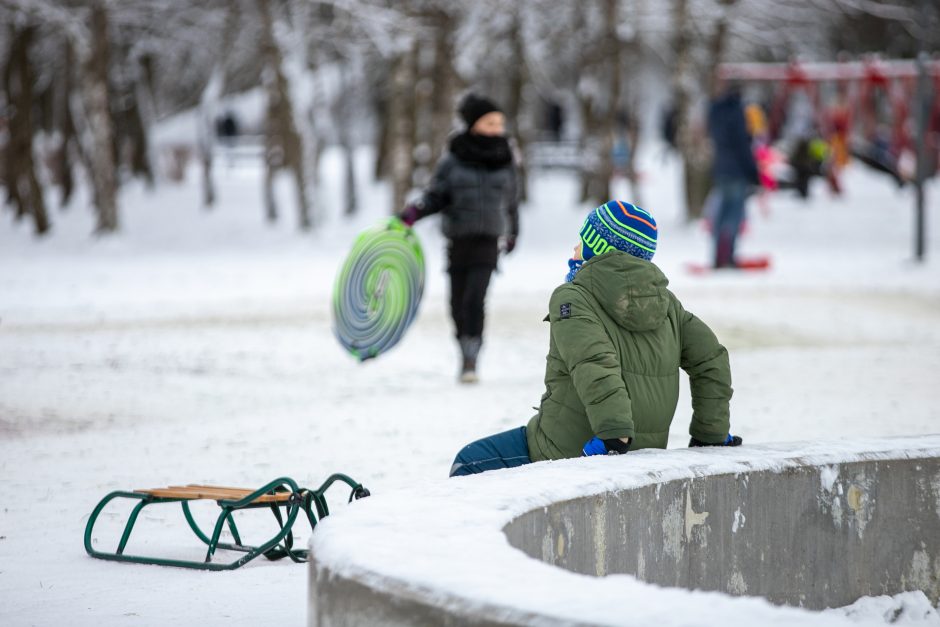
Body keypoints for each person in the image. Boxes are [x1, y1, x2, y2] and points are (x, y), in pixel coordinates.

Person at [449, 201, 740, 477]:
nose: (575, 247)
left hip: (572, 447)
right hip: (641, 449)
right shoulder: (666, 304)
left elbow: (593, 360)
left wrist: (614, 433)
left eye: (583, 239)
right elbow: (711, 358)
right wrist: (711, 433)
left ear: (598, 247)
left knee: (470, 461)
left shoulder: (573, 296)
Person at [400, 94, 520, 383]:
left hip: (488, 241)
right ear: (474, 124)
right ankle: (463, 346)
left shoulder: (505, 160)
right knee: (456, 303)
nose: (497, 128)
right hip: (458, 241)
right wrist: (414, 213)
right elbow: (437, 196)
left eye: (500, 123)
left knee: (475, 298)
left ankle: (471, 358)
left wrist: (514, 231)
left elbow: (513, 202)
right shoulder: (453, 160)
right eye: (490, 122)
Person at [707, 83, 759, 268]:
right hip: (737, 172)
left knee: (721, 215)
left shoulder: (714, 111)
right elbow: (742, 146)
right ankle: (728, 257)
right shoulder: (737, 112)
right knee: (734, 216)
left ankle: (716, 256)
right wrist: (753, 170)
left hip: (721, 170)